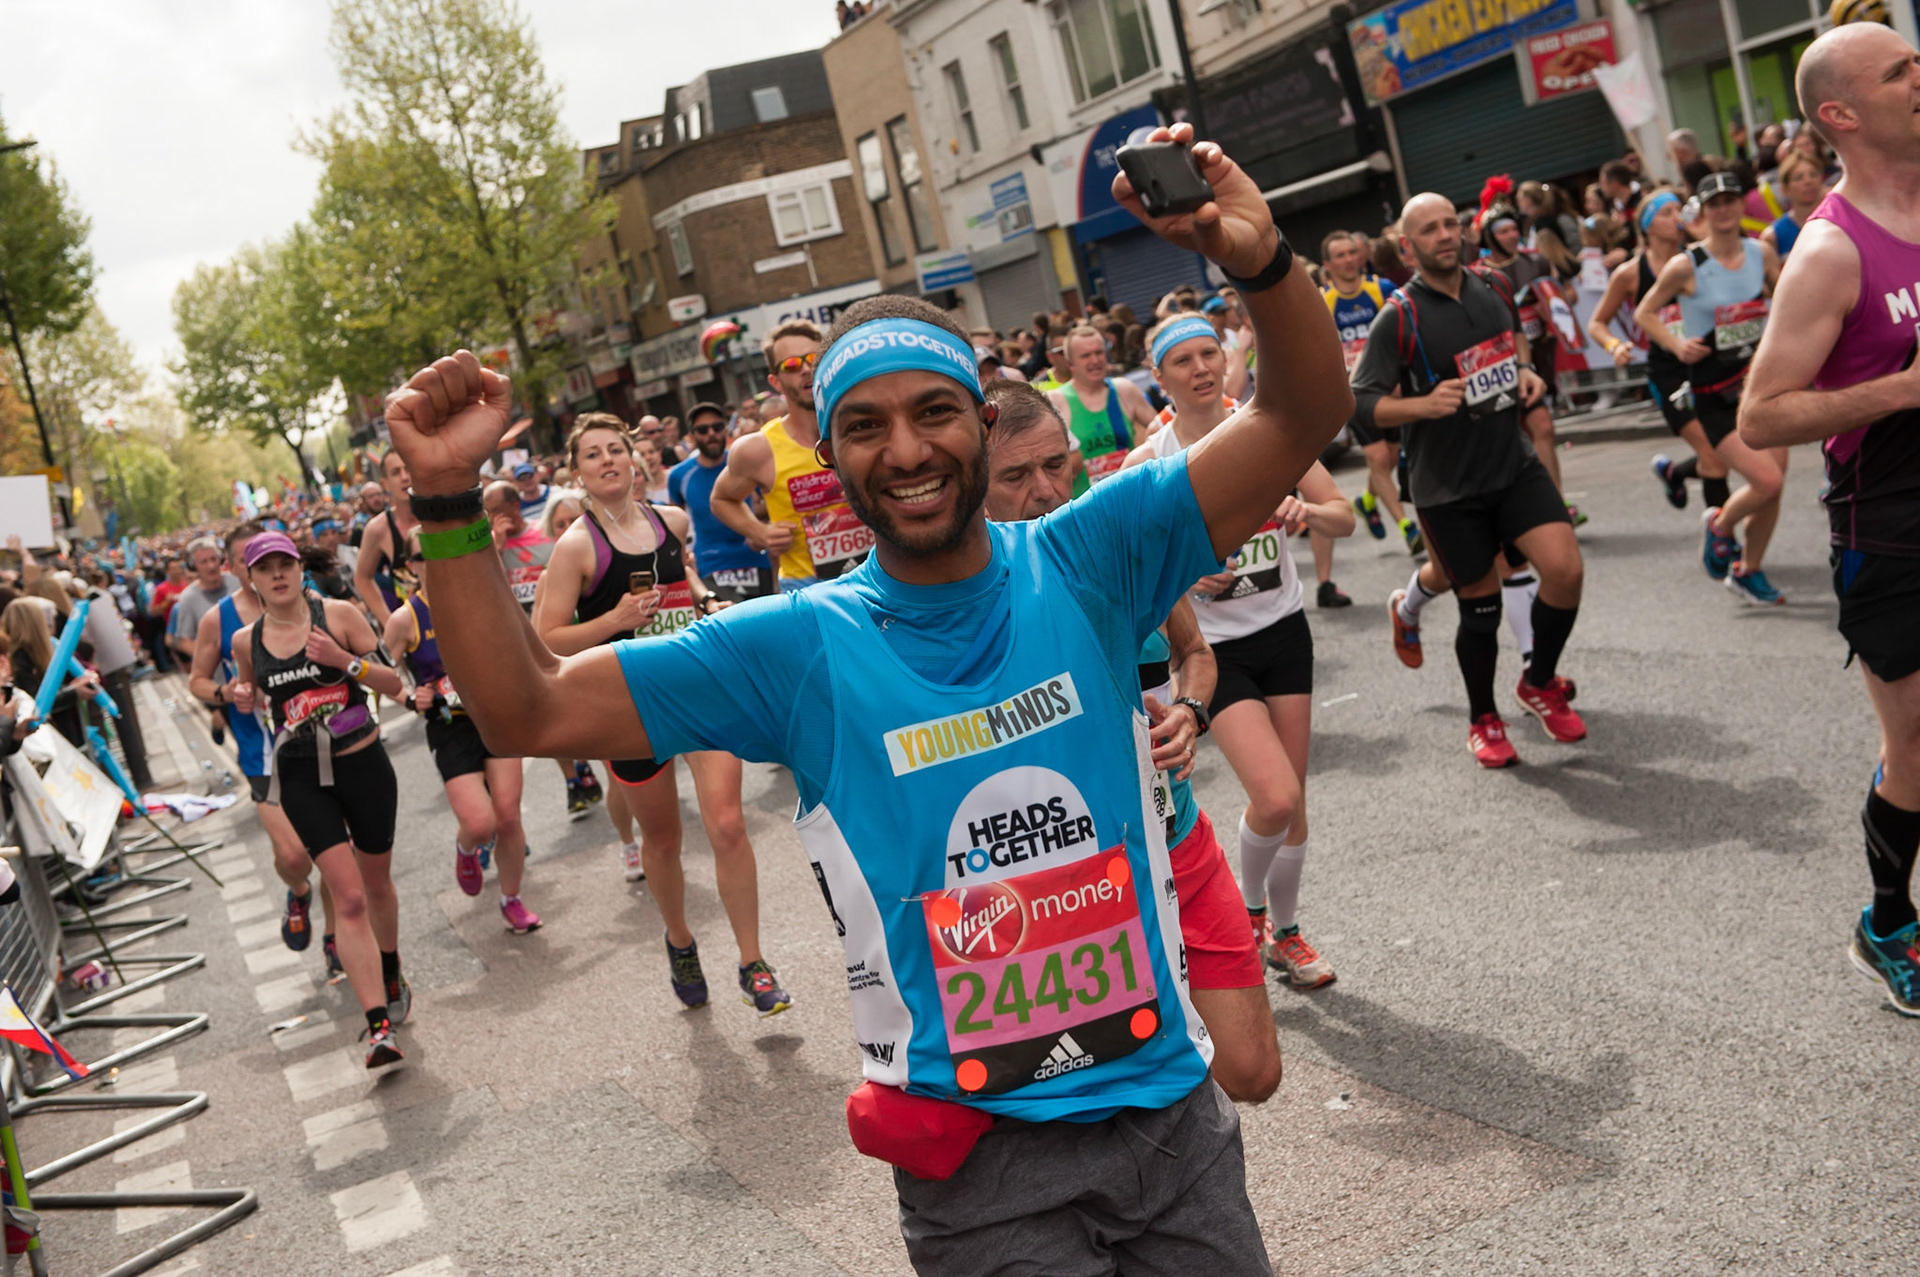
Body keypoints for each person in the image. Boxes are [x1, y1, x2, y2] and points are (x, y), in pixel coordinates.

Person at [383, 118, 1350, 1271]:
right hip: (979, 1170)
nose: (906, 449)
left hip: (1171, 1127)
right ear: (829, 460)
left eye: (933, 412)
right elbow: (525, 711)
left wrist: (1260, 259)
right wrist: (446, 500)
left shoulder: (1090, 558)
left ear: (983, 428)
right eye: (865, 425)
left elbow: (1299, 416)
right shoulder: (797, 645)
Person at [980, 377, 1280, 1101]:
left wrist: (1190, 711)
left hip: (1177, 835)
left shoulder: (1114, 545)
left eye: (1056, 465)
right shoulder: (971, 595)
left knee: (1253, 1070)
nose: (1046, 489)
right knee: (1117, 1080)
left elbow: (1196, 654)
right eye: (1016, 476)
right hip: (1073, 883)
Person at [1740, 22, 1920, 1015]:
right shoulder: (1830, 251)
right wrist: (1900, 392)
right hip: (1892, 522)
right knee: (1917, 749)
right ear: (1840, 114)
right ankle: (1888, 922)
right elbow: (1762, 413)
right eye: (1901, 71)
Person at [531, 414, 792, 1015]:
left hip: (698, 688)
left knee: (727, 825)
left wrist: (704, 599)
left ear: (634, 460)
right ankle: (680, 938)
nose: (607, 460)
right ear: (578, 473)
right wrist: (613, 623)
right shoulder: (575, 547)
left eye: (616, 450)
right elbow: (547, 639)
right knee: (666, 841)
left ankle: (753, 963)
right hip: (630, 708)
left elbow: (683, 573)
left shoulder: (669, 521)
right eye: (592, 454)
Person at [1125, 310, 1355, 986]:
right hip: (1212, 650)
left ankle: (1285, 932)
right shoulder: (1151, 460)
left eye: (1208, 355)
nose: (1200, 368)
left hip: (1283, 630)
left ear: (1225, 362)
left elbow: (1342, 511)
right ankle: (1246, 910)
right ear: (1159, 378)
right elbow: (1124, 559)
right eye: (1182, 361)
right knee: (1275, 796)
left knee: (1295, 801)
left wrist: (1303, 512)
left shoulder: (1267, 433)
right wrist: (1182, 571)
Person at [1353, 193, 1588, 767]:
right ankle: (1483, 717)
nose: (1445, 236)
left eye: (1450, 225)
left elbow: (1515, 341)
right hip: (1447, 486)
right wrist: (1423, 406)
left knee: (1565, 569)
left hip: (1511, 463)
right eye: (1429, 230)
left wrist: (1527, 370)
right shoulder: (1399, 316)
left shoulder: (1495, 286)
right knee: (1479, 606)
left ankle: (1538, 680)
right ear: (1407, 248)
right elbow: (1360, 405)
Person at [227, 531, 411, 1068]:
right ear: (253, 579)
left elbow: (395, 684)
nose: (278, 575)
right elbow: (251, 696)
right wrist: (242, 695)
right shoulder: (246, 641)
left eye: (285, 564)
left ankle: (391, 963)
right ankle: (378, 1029)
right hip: (302, 775)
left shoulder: (338, 615)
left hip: (363, 764)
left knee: (376, 884)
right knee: (348, 897)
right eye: (266, 569)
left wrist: (343, 661)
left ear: (299, 567)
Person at [1635, 170, 1786, 605]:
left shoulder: (1762, 253)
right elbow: (1646, 313)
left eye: (1730, 200)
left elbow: (1790, 301)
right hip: (1713, 392)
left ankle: (1748, 570)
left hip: (1762, 384)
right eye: (1713, 203)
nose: (1723, 210)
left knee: (1773, 489)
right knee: (1767, 482)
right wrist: (1677, 345)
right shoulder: (1689, 264)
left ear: (1741, 205)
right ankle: (1719, 526)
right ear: (1701, 211)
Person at [190, 522, 334, 969]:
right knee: (294, 856)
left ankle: (334, 939)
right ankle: (298, 893)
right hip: (262, 753)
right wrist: (225, 694)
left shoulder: (310, 605)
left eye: (278, 559)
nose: (269, 569)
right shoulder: (219, 619)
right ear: (238, 568)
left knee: (333, 853)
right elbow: (196, 680)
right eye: (252, 559)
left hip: (317, 743)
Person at [385, 530, 540, 933]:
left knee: (507, 817)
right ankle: (466, 847)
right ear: (411, 567)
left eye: (439, 552)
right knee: (479, 823)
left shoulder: (480, 598)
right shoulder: (406, 619)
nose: (432, 562)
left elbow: (517, 644)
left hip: (495, 717)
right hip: (450, 728)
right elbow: (380, 672)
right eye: (422, 556)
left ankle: (512, 899)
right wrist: (407, 696)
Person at [1588, 190, 1733, 515]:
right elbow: (1596, 322)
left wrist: (1701, 238)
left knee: (1725, 451)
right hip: (1669, 373)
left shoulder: (1698, 256)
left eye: (1679, 210)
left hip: (1708, 364)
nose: (1677, 217)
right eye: (1667, 212)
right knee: (1712, 454)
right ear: (1648, 224)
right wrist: (1615, 346)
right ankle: (1724, 542)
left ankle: (1675, 472)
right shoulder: (1631, 272)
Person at [710, 319, 875, 590]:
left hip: (879, 576)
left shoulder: (866, 427)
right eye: (791, 365)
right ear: (775, 381)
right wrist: (762, 533)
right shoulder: (758, 449)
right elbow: (721, 499)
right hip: (809, 590)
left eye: (813, 358)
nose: (807, 369)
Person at [1320, 229, 1423, 559]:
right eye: (1340, 255)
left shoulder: (1381, 289)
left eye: (1352, 252)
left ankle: (1367, 501)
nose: (1349, 260)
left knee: (1390, 458)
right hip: (1354, 393)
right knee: (1379, 458)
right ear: (1328, 265)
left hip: (1390, 388)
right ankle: (1408, 528)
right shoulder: (1323, 302)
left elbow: (1404, 331)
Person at [667, 401, 777, 603]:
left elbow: (773, 502)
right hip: (712, 563)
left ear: (725, 430)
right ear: (691, 437)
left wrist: (764, 531)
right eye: (702, 430)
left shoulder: (744, 462)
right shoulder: (679, 475)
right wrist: (684, 559)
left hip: (755, 558)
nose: (711, 434)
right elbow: (675, 525)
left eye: (717, 427)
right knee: (732, 628)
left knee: (766, 628)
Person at [1048, 325, 1157, 494]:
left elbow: (1163, 432)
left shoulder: (1124, 390)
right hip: (1085, 508)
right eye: (1086, 356)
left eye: (1098, 353)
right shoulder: (1056, 401)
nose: (1095, 360)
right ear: (1070, 363)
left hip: (1130, 497)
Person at [1, 597, 99, 747]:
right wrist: (73, 693)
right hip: (47, 739)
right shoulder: (20, 658)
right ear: (35, 623)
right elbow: (37, 699)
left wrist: (71, 688)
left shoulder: (28, 654)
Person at [352, 449, 421, 626]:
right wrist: (389, 622)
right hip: (418, 632)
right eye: (396, 472)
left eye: (409, 469)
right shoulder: (378, 529)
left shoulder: (442, 513)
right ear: (386, 483)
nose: (405, 477)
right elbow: (362, 578)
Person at [1761, 151, 1828, 258]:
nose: (1808, 181)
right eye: (1798, 178)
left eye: (1813, 174)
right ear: (1785, 189)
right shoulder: (1773, 236)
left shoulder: (1840, 221)